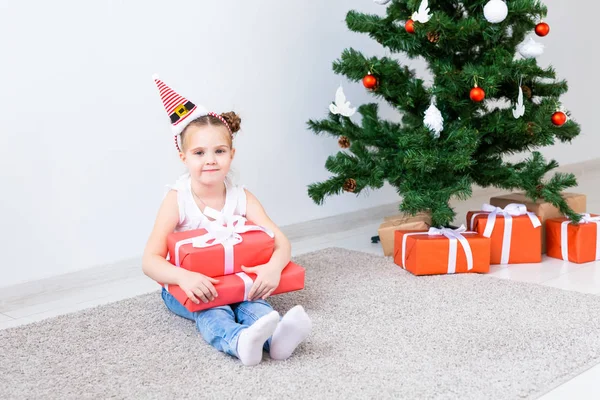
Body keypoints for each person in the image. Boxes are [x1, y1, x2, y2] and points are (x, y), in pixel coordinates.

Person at [142, 75, 312, 366]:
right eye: (199, 153)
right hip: (188, 287)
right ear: (183, 157)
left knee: (253, 300)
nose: (210, 160)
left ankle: (278, 338)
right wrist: (184, 277)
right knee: (213, 310)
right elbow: (150, 260)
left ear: (231, 155)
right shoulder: (177, 199)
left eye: (219, 151)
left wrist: (272, 268)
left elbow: (280, 241)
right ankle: (238, 340)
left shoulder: (241, 197)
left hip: (234, 281)